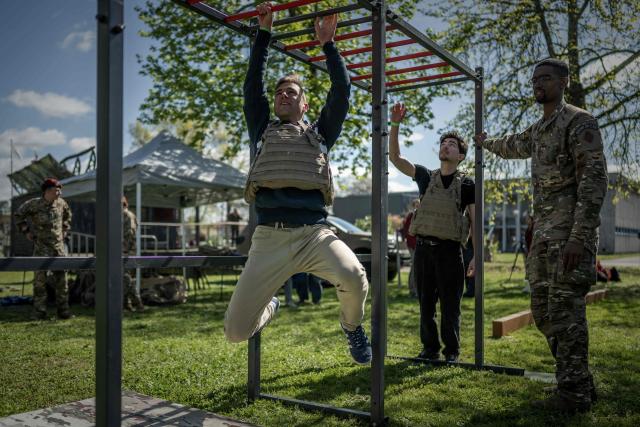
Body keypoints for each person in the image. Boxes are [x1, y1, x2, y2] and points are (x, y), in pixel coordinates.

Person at [223, 3, 371, 365]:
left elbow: (341, 89)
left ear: (305, 105)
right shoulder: (261, 130)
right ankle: (270, 306)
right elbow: (251, 85)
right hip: (269, 238)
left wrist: (329, 45)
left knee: (355, 277)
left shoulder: (320, 134)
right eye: (279, 92)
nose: (282, 95)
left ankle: (352, 327)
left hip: (314, 235)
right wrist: (264, 34)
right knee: (235, 332)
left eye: (291, 92)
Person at [475, 58, 608, 412]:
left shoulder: (579, 122)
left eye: (546, 78)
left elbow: (594, 183)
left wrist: (579, 238)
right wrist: (485, 143)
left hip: (570, 238)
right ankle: (578, 382)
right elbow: (511, 145)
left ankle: (574, 395)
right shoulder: (538, 130)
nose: (539, 84)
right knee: (544, 312)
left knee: (566, 314)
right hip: (543, 239)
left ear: (564, 82)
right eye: (535, 79)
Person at [389, 102, 476, 363]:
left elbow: (475, 220)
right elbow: (395, 158)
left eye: (452, 144)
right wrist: (395, 125)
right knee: (426, 305)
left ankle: (452, 352)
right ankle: (430, 350)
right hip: (424, 251)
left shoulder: (468, 183)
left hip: (451, 252)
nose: (445, 146)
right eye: (443, 143)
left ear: (461, 155)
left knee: (451, 307)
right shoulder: (426, 176)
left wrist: (477, 256)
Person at [15, 178, 73, 320]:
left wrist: (65, 230)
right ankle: (39, 312)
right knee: (40, 282)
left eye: (60, 190)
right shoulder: (33, 204)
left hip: (58, 248)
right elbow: (18, 215)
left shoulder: (61, 203)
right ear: (47, 191)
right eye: (56, 190)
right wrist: (26, 231)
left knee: (62, 282)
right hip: (41, 247)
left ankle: (63, 311)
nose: (59, 193)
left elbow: (68, 216)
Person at [122, 196, 144, 312]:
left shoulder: (127, 215)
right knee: (123, 278)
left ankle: (138, 303)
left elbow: (130, 234)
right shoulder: (122, 215)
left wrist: (124, 251)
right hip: (123, 251)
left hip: (125, 251)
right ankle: (127, 305)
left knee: (126, 279)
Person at [401, 199, 419, 298]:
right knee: (414, 266)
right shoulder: (411, 215)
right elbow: (407, 231)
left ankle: (415, 290)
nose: (417, 206)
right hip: (412, 245)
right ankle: (413, 290)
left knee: (416, 266)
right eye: (416, 204)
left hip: (418, 244)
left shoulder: (420, 214)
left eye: (419, 204)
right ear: (413, 205)